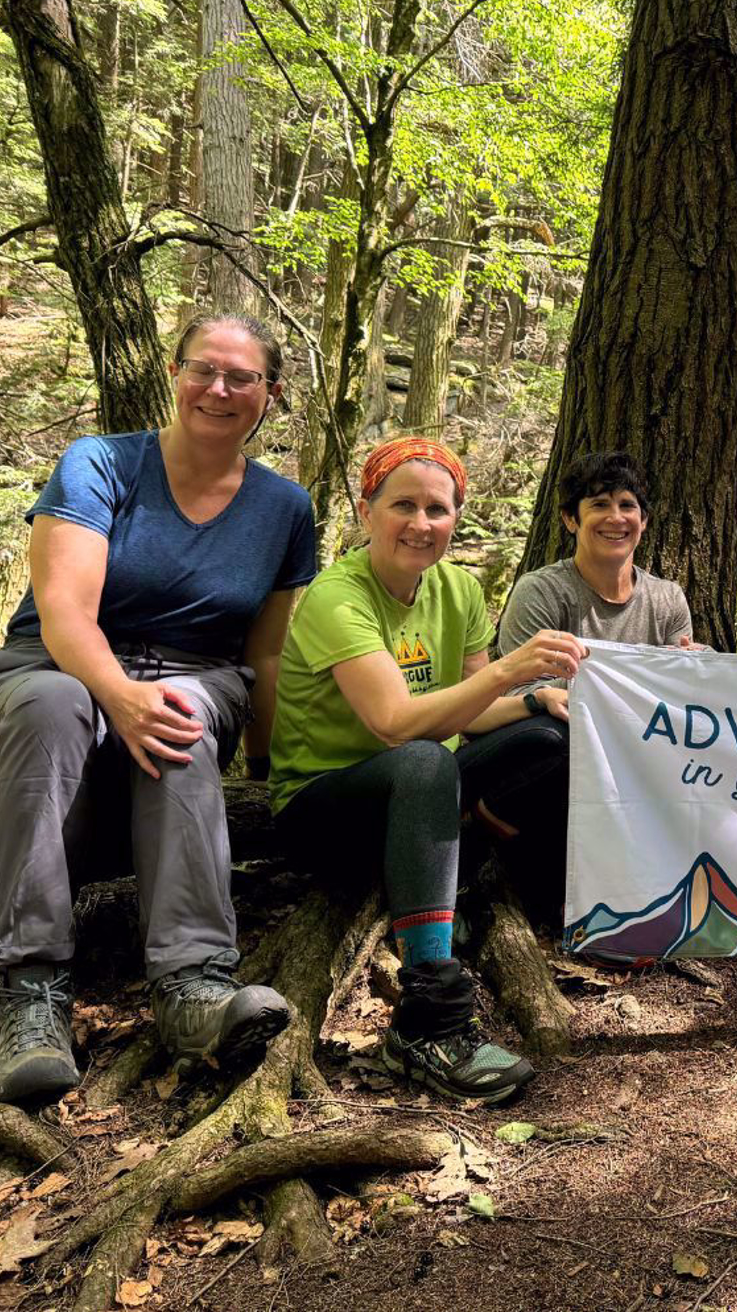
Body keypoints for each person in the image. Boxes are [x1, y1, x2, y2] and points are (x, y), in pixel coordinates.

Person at [0, 315, 315, 1103]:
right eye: (203, 368)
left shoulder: (285, 507)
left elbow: (266, 654)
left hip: (192, 681)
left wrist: (267, 766)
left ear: (271, 393)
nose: (219, 388)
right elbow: (65, 615)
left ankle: (195, 988)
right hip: (40, 680)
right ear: (176, 374)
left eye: (242, 377)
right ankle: (30, 996)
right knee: (55, 698)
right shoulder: (102, 463)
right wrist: (120, 697)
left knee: (181, 705)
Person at [270, 438, 585, 1103]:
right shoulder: (337, 597)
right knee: (422, 760)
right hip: (322, 806)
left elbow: (475, 709)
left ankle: (457, 879)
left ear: (455, 519)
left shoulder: (458, 589)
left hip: (420, 784)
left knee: (546, 738)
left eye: (437, 509)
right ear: (367, 511)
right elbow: (394, 723)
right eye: (403, 506)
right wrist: (509, 670)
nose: (420, 523)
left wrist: (534, 700)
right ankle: (428, 1021)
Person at [490, 450, 693, 908]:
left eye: (627, 505)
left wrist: (694, 668)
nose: (615, 518)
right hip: (554, 756)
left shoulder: (666, 599)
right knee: (552, 739)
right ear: (570, 519)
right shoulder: (542, 592)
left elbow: (677, 698)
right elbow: (517, 692)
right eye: (599, 504)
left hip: (640, 755)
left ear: (643, 519)